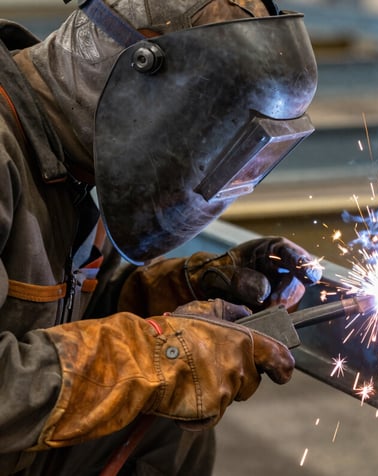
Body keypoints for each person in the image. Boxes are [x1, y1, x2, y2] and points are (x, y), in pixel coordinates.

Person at [0, 0, 321, 474]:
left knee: (168, 406)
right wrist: (159, 352)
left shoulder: (70, 159)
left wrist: (189, 290)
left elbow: (73, 311)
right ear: (141, 71)